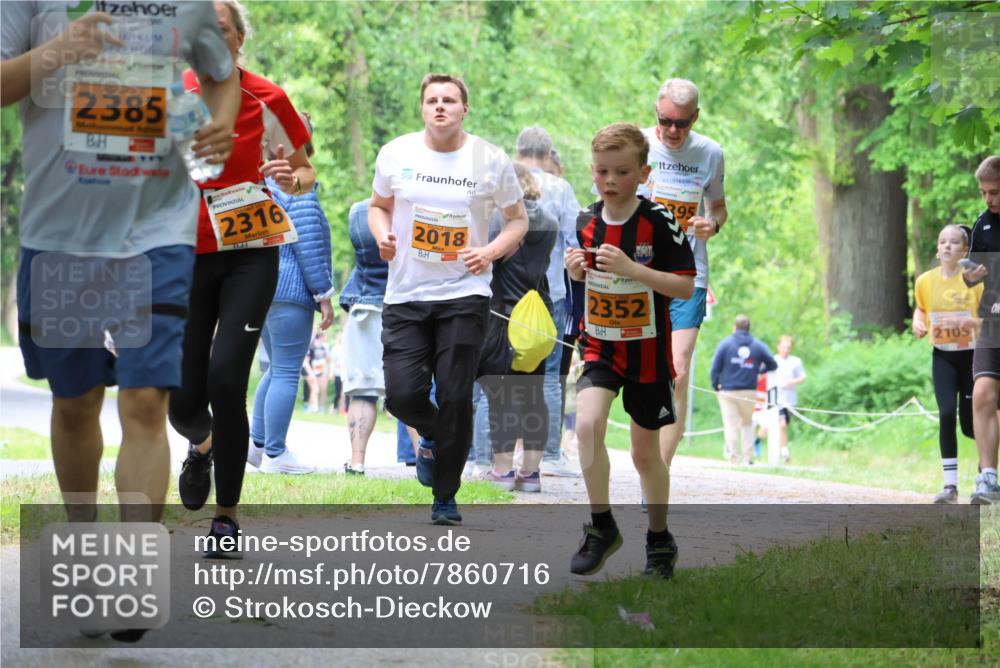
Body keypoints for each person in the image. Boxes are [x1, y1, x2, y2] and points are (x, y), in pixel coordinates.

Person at [2, 2, 238, 535]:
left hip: (158, 231)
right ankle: (83, 536)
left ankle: (132, 562)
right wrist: (60, 50)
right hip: (62, 236)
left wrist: (220, 124)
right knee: (77, 402)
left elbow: (220, 76)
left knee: (146, 399)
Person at [170, 0, 314, 557]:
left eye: (221, 30)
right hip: (186, 253)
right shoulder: (171, 94)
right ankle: (202, 443)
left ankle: (226, 517)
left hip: (250, 251)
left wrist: (290, 176)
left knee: (227, 377)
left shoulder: (267, 96)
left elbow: (305, 172)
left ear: (237, 39)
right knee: (181, 398)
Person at [368, 72, 527, 525]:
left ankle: (445, 496)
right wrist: (383, 237)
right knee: (401, 396)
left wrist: (490, 251)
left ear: (464, 109)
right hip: (405, 293)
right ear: (422, 108)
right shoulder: (396, 153)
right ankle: (437, 436)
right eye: (432, 100)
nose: (441, 106)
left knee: (456, 395)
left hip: (465, 292)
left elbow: (517, 221)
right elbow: (379, 206)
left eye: (450, 100)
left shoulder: (490, 160)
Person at [565, 123, 695, 579]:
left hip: (647, 351)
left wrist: (635, 270)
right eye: (602, 171)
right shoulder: (585, 219)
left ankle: (659, 540)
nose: (610, 180)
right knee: (587, 424)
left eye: (621, 171)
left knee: (645, 455)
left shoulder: (659, 221)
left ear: (643, 173)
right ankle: (601, 526)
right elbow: (582, 280)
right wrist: (577, 272)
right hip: (601, 345)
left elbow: (683, 286)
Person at [641, 79, 728, 485]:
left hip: (687, 273)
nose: (672, 131)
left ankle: (659, 472)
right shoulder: (636, 144)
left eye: (682, 124)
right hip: (637, 272)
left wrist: (711, 224)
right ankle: (642, 454)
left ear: (695, 118)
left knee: (676, 368)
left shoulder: (710, 153)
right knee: (640, 374)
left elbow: (719, 209)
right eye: (664, 122)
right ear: (655, 112)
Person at [248, 114, 335, 475]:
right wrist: (324, 293)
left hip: (261, 288)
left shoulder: (258, 179)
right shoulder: (297, 184)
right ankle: (276, 454)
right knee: (285, 372)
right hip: (291, 288)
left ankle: (255, 446)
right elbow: (309, 243)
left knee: (274, 370)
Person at [477, 163, 558, 492]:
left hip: (504, 317)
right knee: (533, 395)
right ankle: (532, 473)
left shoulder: (501, 220)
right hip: (536, 318)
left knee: (502, 396)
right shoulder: (550, 221)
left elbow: (488, 261)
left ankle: (503, 470)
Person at [514, 126, 583, 478]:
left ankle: (492, 453)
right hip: (550, 293)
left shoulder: (504, 180)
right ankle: (551, 454)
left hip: (506, 294)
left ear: (518, 150)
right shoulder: (561, 189)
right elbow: (575, 243)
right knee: (550, 377)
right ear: (547, 153)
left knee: (499, 370)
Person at [914, 225, 982, 503]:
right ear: (938, 248)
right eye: (943, 242)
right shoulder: (925, 281)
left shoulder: (977, 281)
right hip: (942, 356)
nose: (947, 247)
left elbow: (991, 321)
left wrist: (970, 323)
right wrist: (919, 322)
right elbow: (921, 308)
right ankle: (950, 486)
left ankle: (986, 477)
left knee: (970, 425)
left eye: (954, 242)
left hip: (972, 357)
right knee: (945, 414)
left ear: (964, 250)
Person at [340, 198, 390, 475]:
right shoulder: (413, 209)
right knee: (409, 391)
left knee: (362, 390)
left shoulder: (358, 210)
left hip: (364, 308)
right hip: (402, 305)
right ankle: (426, 460)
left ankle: (357, 462)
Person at [962, 156, 1000, 504]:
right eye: (984, 193)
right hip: (992, 318)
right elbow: (970, 271)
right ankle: (988, 478)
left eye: (995, 192)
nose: (988, 199)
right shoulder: (982, 224)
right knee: (984, 391)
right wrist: (971, 274)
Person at [710, 315, 778, 466]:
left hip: (728, 391)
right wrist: (759, 371)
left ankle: (735, 459)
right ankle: (748, 458)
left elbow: (715, 368)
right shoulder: (757, 345)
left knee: (730, 424)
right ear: (748, 328)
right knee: (747, 423)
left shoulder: (725, 344)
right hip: (749, 390)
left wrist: (716, 386)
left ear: (734, 327)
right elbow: (773, 364)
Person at [773, 334, 806, 463]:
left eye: (788, 347)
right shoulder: (773, 360)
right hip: (775, 398)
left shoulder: (795, 361)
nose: (786, 349)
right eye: (783, 347)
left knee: (783, 425)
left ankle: (778, 448)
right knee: (780, 425)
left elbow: (802, 377)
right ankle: (783, 451)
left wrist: (792, 381)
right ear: (778, 346)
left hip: (789, 399)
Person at [306, 330, 329, 413]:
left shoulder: (324, 347)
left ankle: (321, 409)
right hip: (311, 371)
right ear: (321, 337)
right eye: (324, 336)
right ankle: (313, 408)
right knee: (315, 389)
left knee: (323, 390)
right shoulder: (311, 346)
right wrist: (311, 373)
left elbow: (327, 359)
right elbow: (306, 361)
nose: (326, 338)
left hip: (322, 372)